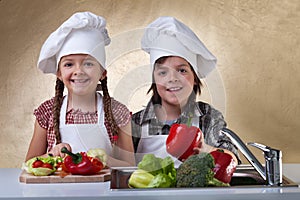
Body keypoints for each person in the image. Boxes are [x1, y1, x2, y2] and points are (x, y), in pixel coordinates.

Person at [25, 12, 135, 167]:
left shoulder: (117, 112)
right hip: (56, 191)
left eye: (88, 63)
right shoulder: (48, 112)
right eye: (69, 64)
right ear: (59, 73)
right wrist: (52, 155)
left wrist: (105, 160)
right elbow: (28, 165)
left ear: (102, 73)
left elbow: (130, 167)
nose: (79, 71)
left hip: (103, 191)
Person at [131, 16, 240, 167]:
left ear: (194, 77)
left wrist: (206, 149)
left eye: (182, 70)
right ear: (154, 79)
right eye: (163, 73)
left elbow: (232, 159)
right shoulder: (135, 122)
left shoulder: (208, 117)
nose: (172, 79)